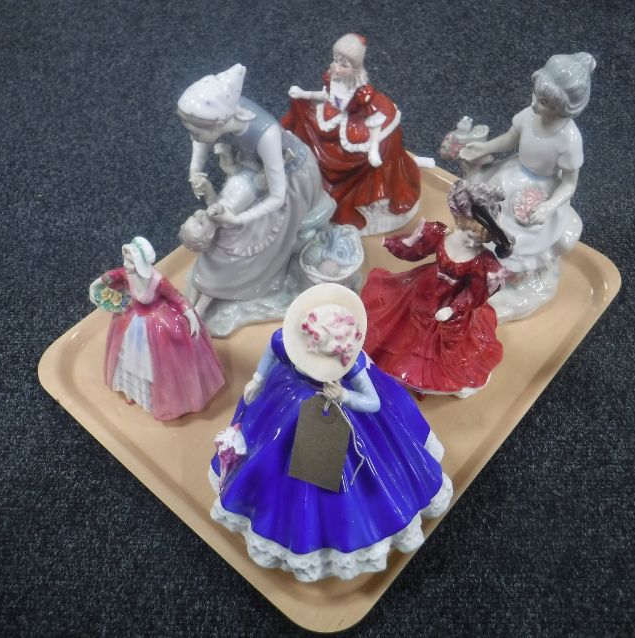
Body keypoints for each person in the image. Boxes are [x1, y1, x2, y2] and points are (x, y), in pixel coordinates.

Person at [208, 284, 452, 582]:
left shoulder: (351, 364)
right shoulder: (289, 341)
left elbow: (373, 402)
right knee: (274, 456)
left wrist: (344, 397)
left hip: (339, 411)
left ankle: (345, 527)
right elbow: (273, 350)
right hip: (288, 399)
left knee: (348, 473)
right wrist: (258, 379)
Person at [177, 64, 332, 317]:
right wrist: (195, 169)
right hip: (253, 172)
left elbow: (277, 196)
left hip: (290, 177)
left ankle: (243, 281)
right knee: (234, 221)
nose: (192, 137)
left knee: (255, 242)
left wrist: (238, 220)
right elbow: (201, 139)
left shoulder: (266, 134)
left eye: (195, 131)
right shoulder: (225, 115)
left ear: (217, 123)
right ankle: (215, 281)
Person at [459, 52, 596, 321]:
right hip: (511, 175)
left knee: (521, 237)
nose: (534, 104)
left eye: (543, 102)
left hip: (541, 190)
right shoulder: (528, 116)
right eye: (534, 95)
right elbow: (509, 140)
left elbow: (569, 183)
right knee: (484, 211)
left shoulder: (569, 140)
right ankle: (478, 262)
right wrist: (485, 148)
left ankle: (512, 277)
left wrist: (549, 206)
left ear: (563, 106)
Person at [361, 181, 513, 397]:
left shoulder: (483, 261)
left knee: (437, 342)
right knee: (401, 326)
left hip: (449, 301)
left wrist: (454, 309)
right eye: (469, 236)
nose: (472, 244)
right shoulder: (439, 233)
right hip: (422, 287)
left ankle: (422, 379)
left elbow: (473, 293)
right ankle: (393, 365)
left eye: (481, 240)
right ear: (460, 222)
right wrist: (403, 243)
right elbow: (415, 250)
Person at [282, 34, 420, 235]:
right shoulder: (333, 77)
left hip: (353, 125)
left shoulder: (361, 92)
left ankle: (345, 193)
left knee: (359, 158)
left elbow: (374, 120)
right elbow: (327, 96)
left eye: (344, 64)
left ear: (356, 68)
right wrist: (304, 94)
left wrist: (373, 149)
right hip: (333, 117)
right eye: (336, 60)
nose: (337, 67)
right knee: (301, 107)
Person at [89, 237, 225, 421]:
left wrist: (190, 315)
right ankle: (131, 391)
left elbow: (176, 297)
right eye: (126, 259)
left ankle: (164, 399)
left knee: (155, 364)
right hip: (133, 318)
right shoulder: (125, 273)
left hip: (157, 322)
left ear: (140, 262)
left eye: (130, 261)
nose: (126, 264)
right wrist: (99, 284)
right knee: (128, 358)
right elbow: (109, 278)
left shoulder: (157, 281)